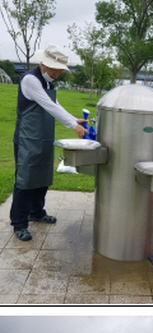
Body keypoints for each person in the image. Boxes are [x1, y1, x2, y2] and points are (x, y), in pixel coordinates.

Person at [11, 44, 87, 242]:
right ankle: (19, 223)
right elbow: (47, 105)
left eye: (60, 69)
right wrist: (73, 126)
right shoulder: (30, 79)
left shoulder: (48, 83)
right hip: (27, 139)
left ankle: (37, 211)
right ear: (43, 64)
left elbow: (55, 104)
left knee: (42, 177)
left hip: (43, 138)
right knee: (25, 181)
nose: (57, 73)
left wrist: (73, 118)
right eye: (55, 68)